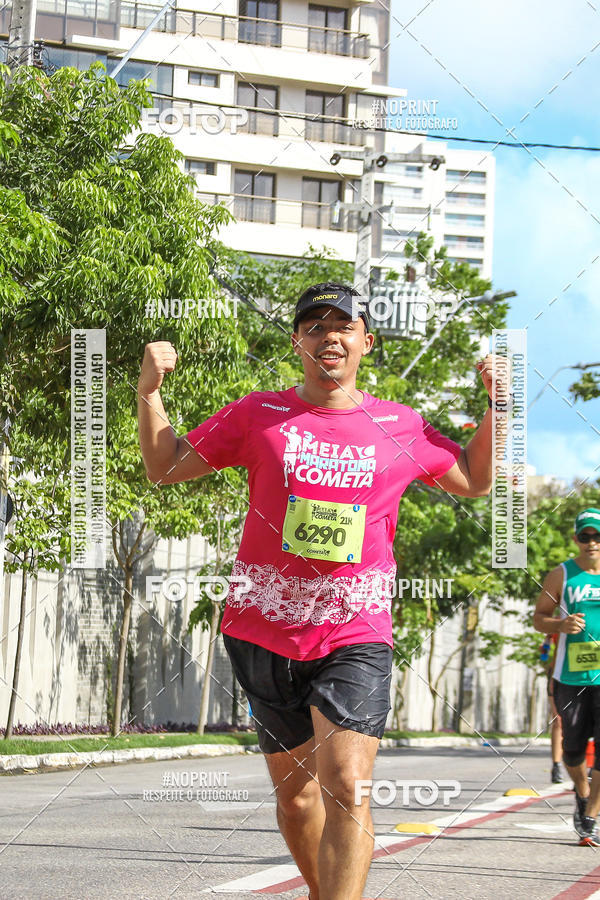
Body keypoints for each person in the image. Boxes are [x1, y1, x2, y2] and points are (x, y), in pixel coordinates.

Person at [137, 282, 507, 899]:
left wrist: (499, 407)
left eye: (343, 326)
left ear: (367, 341)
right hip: (263, 627)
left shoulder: (399, 423)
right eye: (314, 326)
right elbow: (165, 466)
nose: (328, 336)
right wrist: (149, 393)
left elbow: (472, 478)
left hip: (355, 628)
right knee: (297, 798)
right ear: (297, 342)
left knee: (348, 785)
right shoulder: (258, 413)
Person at [534, 509, 600, 846]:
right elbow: (539, 618)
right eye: (585, 536)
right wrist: (560, 624)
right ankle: (582, 791)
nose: (592, 542)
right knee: (573, 750)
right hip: (570, 677)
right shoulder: (560, 575)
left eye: (597, 536)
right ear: (576, 539)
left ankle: (591, 816)